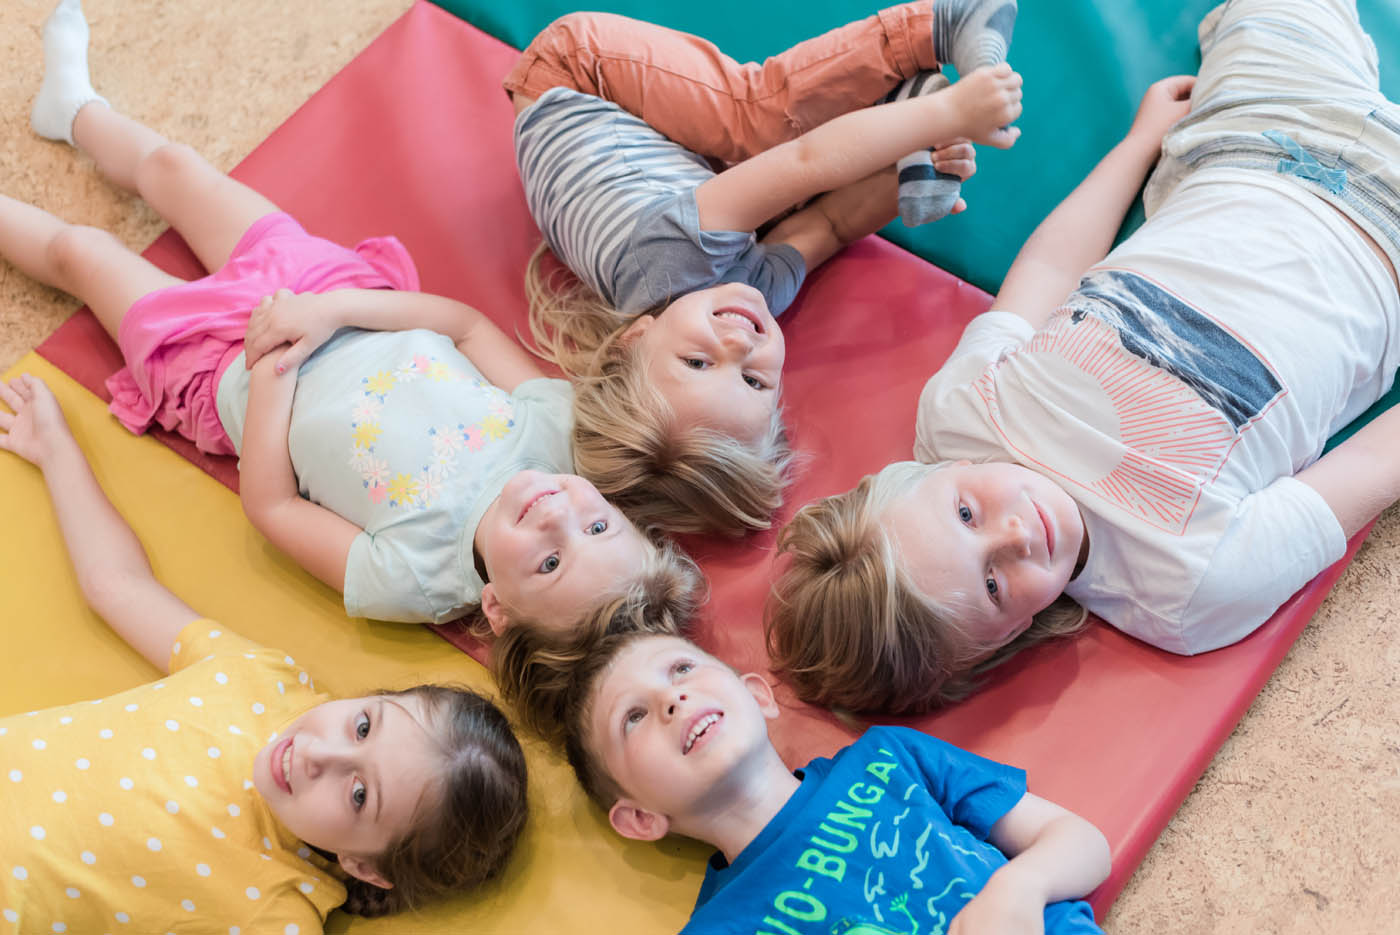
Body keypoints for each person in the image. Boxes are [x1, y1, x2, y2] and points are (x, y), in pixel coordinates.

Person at [766, 0, 1400, 714]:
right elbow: (1370, 467)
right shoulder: (1185, 590)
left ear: (917, 476)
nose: (1016, 534)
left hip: (1249, 141)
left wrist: (1139, 144)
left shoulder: (959, 417)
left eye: (968, 512)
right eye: (994, 585)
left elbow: (1047, 273)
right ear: (1002, 638)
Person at [12, 0, 701, 646]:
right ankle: (74, 110)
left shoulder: (417, 579)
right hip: (323, 289)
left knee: (81, 253)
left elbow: (274, 509)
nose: (558, 516)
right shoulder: (558, 437)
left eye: (551, 560)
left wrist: (271, 366)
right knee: (175, 167)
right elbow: (464, 327)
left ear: (499, 608)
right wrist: (330, 310)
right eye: (598, 522)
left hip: (227, 373)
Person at [0, 372, 530, 930]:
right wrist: (56, 450)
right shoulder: (260, 682)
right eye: (364, 726)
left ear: (365, 868)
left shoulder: (277, 913)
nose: (319, 755)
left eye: (357, 794)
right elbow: (119, 587)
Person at [508, 2, 1021, 535]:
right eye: (753, 381)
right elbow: (831, 224)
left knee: (758, 120)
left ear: (634, 338)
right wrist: (911, 179)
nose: (739, 344)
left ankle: (939, 23)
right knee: (790, 203)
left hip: (579, 73)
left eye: (698, 363)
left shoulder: (665, 257)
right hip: (681, 168)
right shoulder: (749, 304)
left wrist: (950, 115)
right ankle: (904, 111)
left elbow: (807, 159)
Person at [557, 630, 1110, 933]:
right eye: (632, 717)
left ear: (756, 695)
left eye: (681, 669)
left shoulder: (889, 754)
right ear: (640, 818)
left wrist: (1018, 889)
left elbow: (1081, 843)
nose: (670, 698)